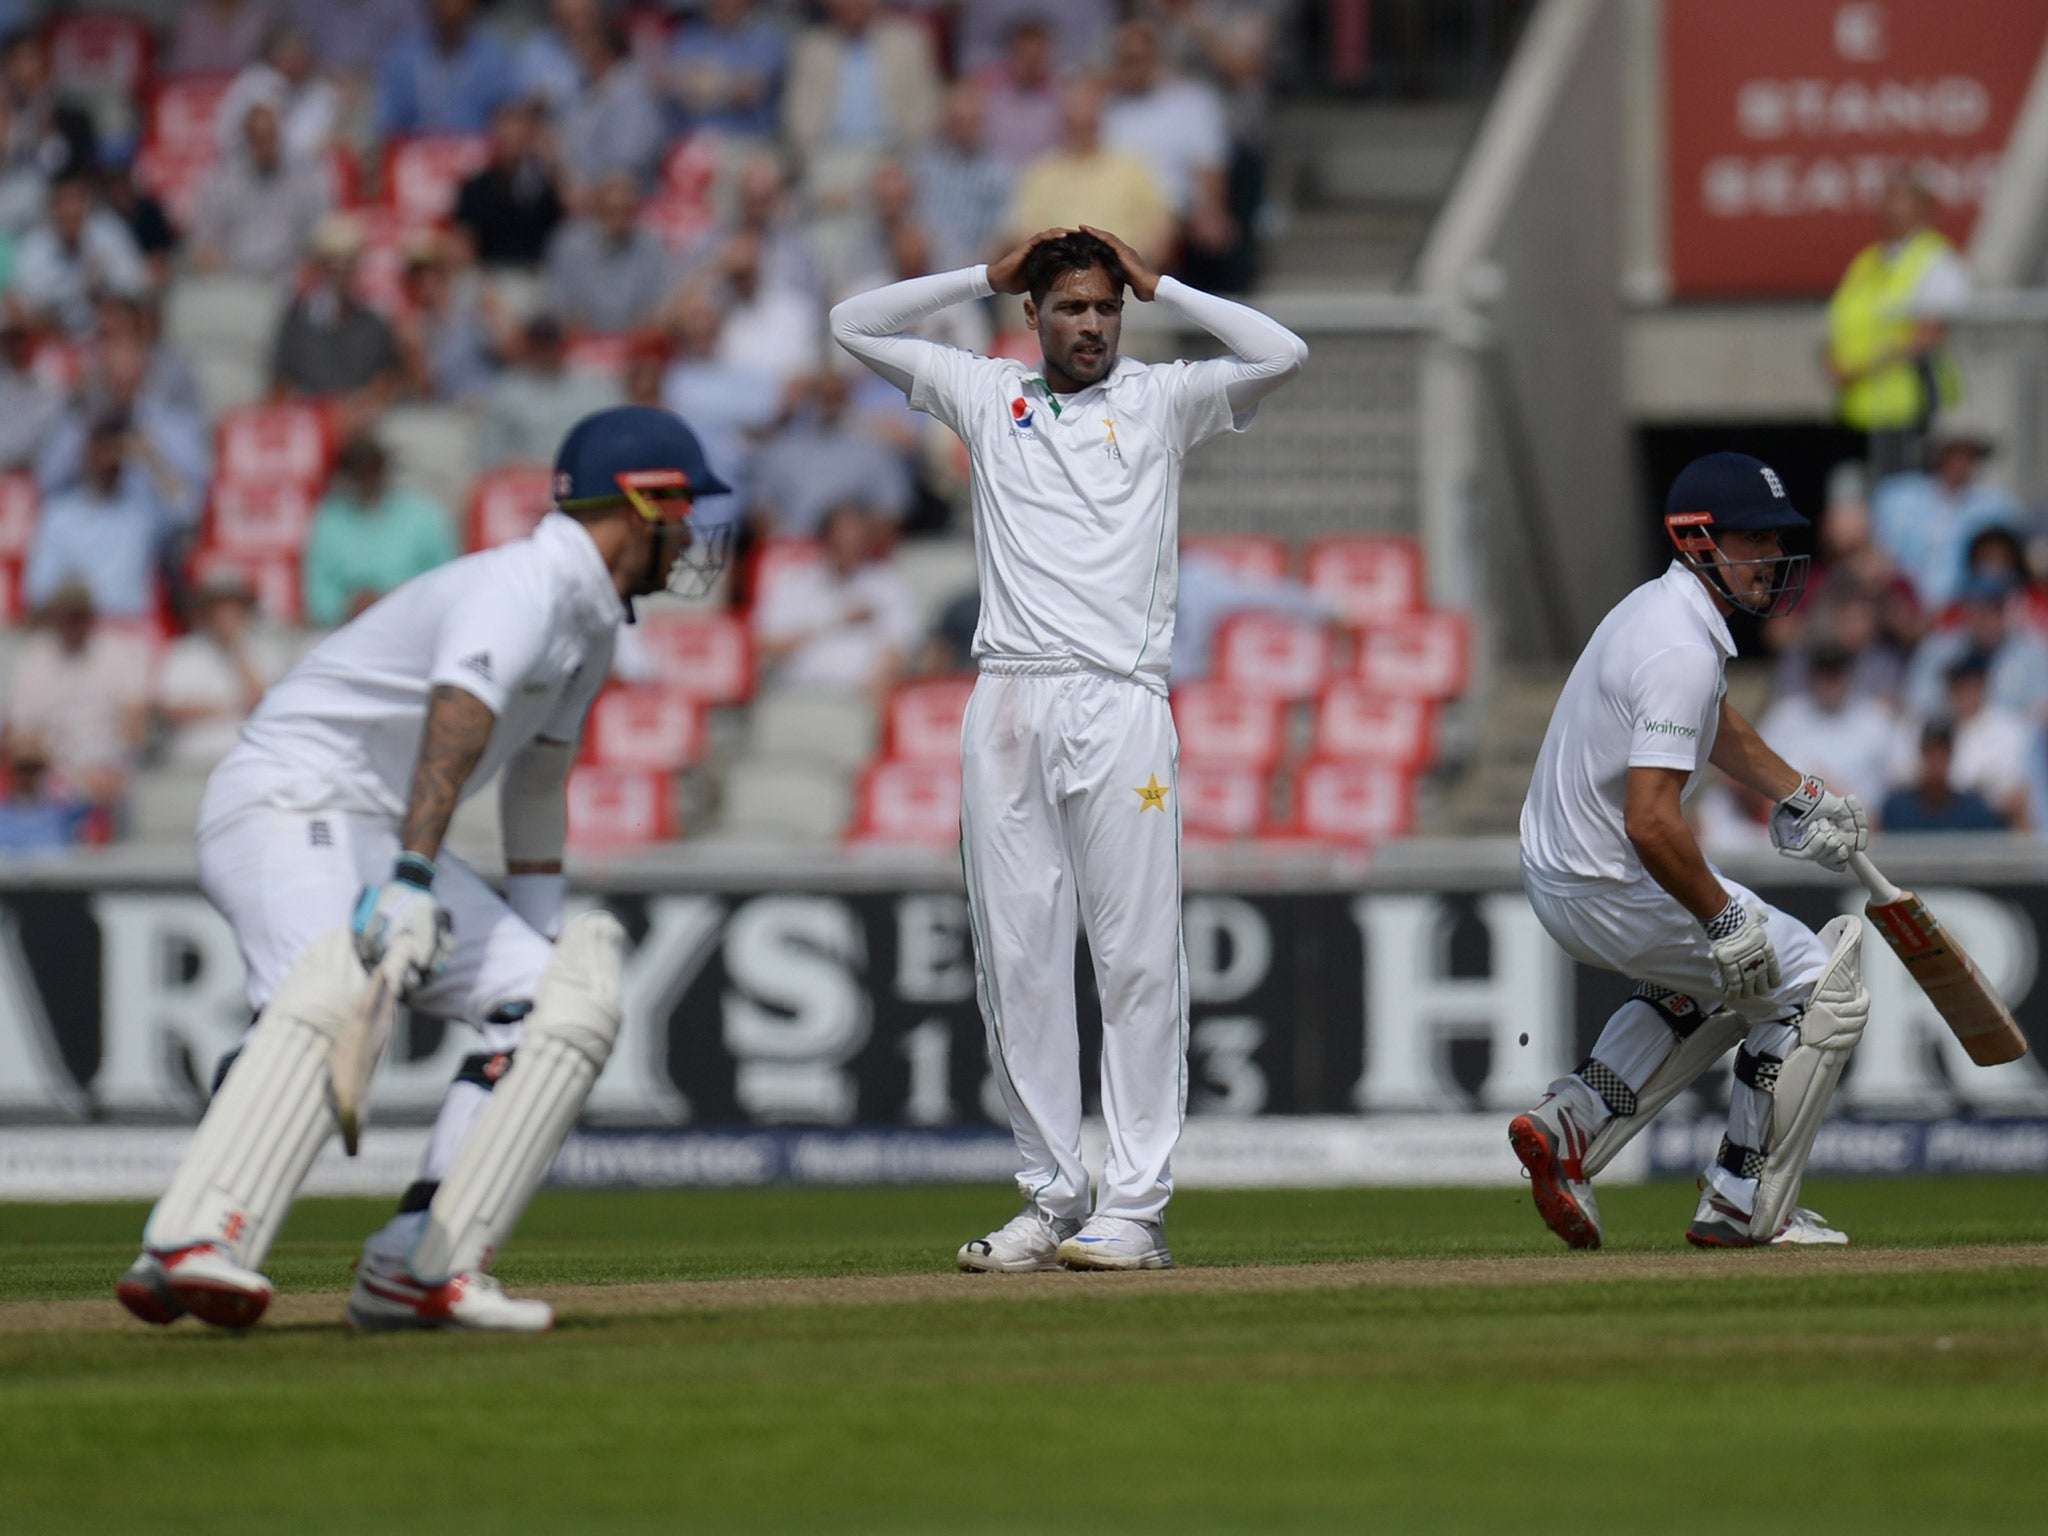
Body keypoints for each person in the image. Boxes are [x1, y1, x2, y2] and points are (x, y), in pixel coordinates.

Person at [114, 405, 733, 1334]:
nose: (690, 534)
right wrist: (409, 879)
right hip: (292, 796)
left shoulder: (591, 623)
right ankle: (193, 1241)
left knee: (559, 1001)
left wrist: (538, 925)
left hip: (370, 823)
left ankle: (420, 1262)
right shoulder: (520, 584)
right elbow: (459, 712)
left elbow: (537, 783)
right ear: (638, 503)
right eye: (680, 510)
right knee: (335, 987)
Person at [831, 226, 1306, 1271]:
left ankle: (1133, 1207)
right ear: (1031, 315)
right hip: (1004, 703)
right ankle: (1049, 1197)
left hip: (1120, 705)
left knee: (1134, 961)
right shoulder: (980, 390)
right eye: (1070, 308)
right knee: (1022, 965)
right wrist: (977, 275)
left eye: (1104, 308)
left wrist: (1162, 282)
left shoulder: (1161, 398)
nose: (1091, 326)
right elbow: (849, 324)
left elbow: (1281, 354)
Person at [1511, 452, 1873, 1251]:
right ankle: (1746, 1200)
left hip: (1566, 872)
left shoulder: (1662, 614)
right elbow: (1652, 820)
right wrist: (1720, 918)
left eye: (1777, 540)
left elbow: (1716, 722)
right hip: (1607, 876)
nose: (1772, 558)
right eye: (1754, 540)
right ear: (1699, 540)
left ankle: (1576, 1118)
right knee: (1815, 985)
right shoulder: (1678, 647)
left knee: (1720, 981)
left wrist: (1797, 791)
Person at [1825, 170, 1969, 479]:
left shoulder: (1937, 261)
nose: (1889, 208)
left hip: (1911, 409)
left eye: (1899, 199)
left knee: (1903, 496)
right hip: (1860, 411)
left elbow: (1929, 335)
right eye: (1886, 198)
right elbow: (1838, 321)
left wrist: (1859, 368)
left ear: (1924, 208)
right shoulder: (1867, 261)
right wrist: (1833, 360)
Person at [23, 414, 197, 619]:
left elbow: (187, 512)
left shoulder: (142, 511)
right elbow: (38, 591)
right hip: (74, 625)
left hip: (128, 630)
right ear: (87, 456)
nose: (107, 462)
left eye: (115, 453)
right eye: (101, 451)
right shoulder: (60, 513)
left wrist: (152, 457)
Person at [4, 579, 150, 811]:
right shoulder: (35, 659)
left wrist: (118, 768)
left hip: (112, 773)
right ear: (55, 617)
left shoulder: (116, 653)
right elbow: (21, 737)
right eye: (68, 616)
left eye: (80, 616)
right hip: (53, 776)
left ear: (91, 617)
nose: (74, 624)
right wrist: (74, 775)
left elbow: (135, 723)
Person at [753, 500, 923, 694]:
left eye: (858, 538)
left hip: (860, 696)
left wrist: (877, 686)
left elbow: (903, 647)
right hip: (796, 694)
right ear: (826, 539)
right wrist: (835, 620)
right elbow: (766, 648)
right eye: (843, 538)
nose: (851, 545)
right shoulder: (793, 583)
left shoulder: (888, 583)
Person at [303, 434, 461, 627]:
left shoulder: (424, 515)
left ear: (385, 470)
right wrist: (347, 606)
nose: (367, 480)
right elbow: (319, 593)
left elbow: (448, 577)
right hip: (349, 629)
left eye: (372, 471)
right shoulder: (329, 520)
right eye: (359, 473)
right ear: (347, 476)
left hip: (415, 625)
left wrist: (400, 599)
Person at [1869, 418, 2023, 613]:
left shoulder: (1997, 507)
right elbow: (1876, 552)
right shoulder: (1897, 496)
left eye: (1969, 454)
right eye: (1953, 453)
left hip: (1965, 613)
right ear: (1938, 454)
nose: (1960, 462)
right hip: (1898, 607)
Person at [269, 214, 404, 434]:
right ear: (319, 269)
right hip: (310, 423)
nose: (340, 277)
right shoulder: (296, 321)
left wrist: (366, 405)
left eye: (347, 266)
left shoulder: (375, 324)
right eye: (332, 267)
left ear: (357, 269)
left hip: (362, 425)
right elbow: (280, 388)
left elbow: (389, 381)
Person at [1005, 83, 1170, 259]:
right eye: (1076, 123)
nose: (1082, 128)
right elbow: (1024, 231)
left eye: (1088, 123)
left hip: (1120, 275)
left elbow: (1159, 227)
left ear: (1099, 119)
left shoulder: (1133, 167)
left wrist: (1119, 264)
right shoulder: (1041, 171)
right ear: (1064, 122)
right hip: (1056, 275)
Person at [154, 566, 296, 769]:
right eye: (218, 608)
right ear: (204, 613)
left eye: (233, 608)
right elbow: (173, 711)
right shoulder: (183, 652)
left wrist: (237, 650)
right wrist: (232, 707)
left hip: (251, 759)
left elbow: (267, 705)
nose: (225, 616)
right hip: (192, 758)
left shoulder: (266, 651)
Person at [189, 99, 334, 285]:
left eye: (271, 138)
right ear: (246, 141)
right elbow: (204, 244)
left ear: (280, 136)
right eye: (258, 140)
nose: (266, 149)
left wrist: (309, 269)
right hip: (234, 283)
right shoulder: (221, 182)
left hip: (290, 284)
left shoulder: (306, 180)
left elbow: (322, 236)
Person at [1755, 639, 1897, 811]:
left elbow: (1902, 778)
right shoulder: (1785, 716)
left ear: (1849, 674)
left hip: (1865, 829)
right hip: (1793, 827)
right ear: (1811, 675)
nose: (1830, 682)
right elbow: (1755, 771)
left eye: (1836, 673)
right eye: (1823, 673)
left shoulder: (1877, 718)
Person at [10, 168, 149, 336]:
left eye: (76, 200)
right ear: (52, 208)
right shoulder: (36, 248)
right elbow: (23, 308)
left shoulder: (109, 233)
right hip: (54, 337)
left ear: (88, 203)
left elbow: (137, 284)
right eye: (63, 202)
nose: (70, 210)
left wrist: (103, 289)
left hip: (105, 337)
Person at [476, 313, 621, 469]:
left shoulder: (593, 386)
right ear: (528, 348)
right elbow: (489, 455)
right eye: (539, 346)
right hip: (526, 480)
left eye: (551, 345)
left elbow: (613, 438)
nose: (546, 352)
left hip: (583, 475)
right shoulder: (507, 392)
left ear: (562, 346)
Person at [541, 170, 677, 335]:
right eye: (610, 211)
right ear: (596, 209)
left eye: (625, 210)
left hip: (635, 344)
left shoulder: (652, 246)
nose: (618, 220)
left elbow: (660, 307)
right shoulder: (567, 244)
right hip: (580, 343)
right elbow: (559, 305)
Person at [376, 0, 516, 139]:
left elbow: (506, 124)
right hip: (415, 153)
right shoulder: (403, 57)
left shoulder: (493, 59)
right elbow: (388, 126)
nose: (451, 7)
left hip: (477, 152)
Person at [452, 99, 566, 270]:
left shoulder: (547, 184)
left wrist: (554, 165)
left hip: (541, 277)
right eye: (504, 131)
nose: (510, 139)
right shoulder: (475, 188)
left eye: (517, 132)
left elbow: (574, 217)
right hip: (490, 279)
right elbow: (463, 245)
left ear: (530, 135)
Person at [667, 0, 787, 140]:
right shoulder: (690, 34)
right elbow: (670, 83)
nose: (720, 4)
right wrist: (728, 84)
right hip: (692, 139)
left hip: (747, 141)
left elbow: (749, 91)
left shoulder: (767, 37)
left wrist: (702, 85)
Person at [1879, 721, 2009, 833]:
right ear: (1922, 755)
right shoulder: (1897, 809)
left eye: (1942, 754)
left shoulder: (1974, 811)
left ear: (1951, 756)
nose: (1936, 761)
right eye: (1931, 753)